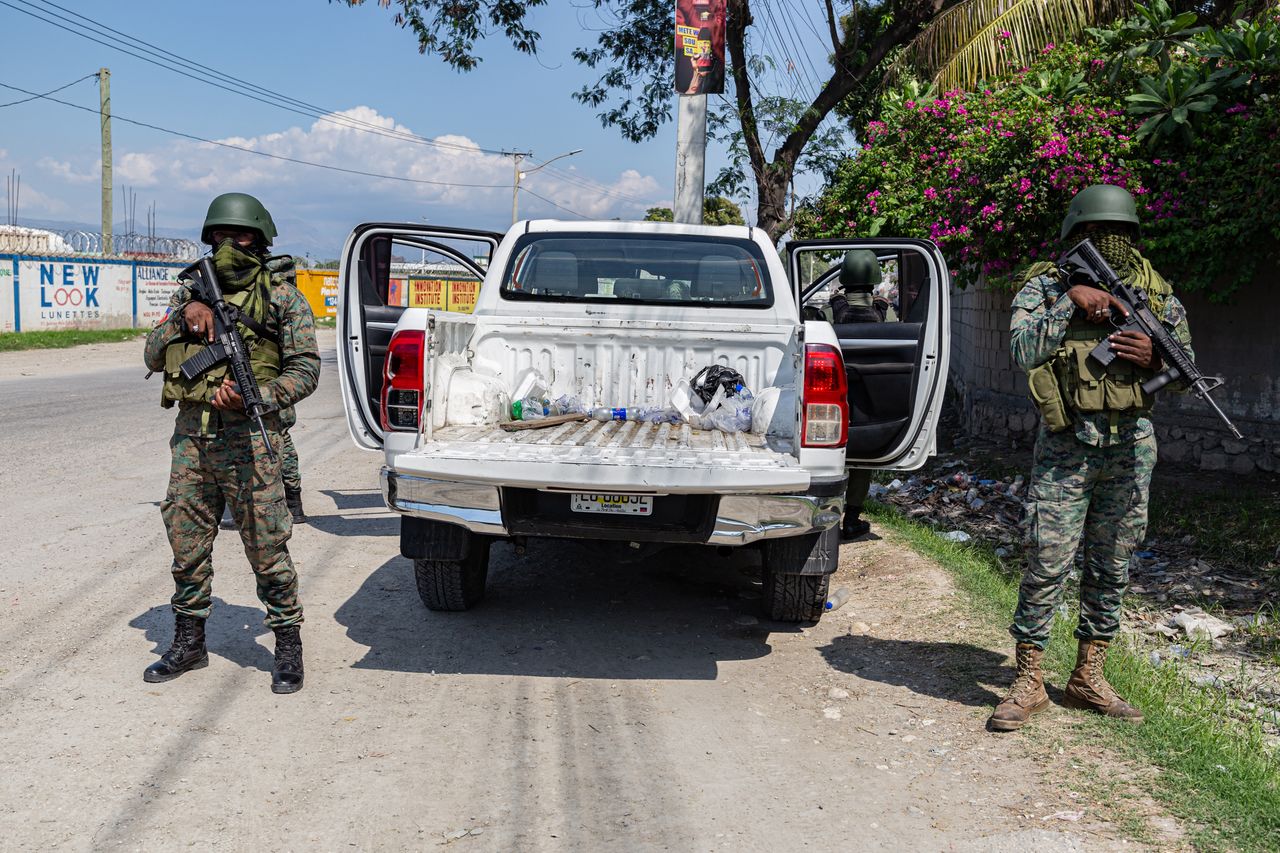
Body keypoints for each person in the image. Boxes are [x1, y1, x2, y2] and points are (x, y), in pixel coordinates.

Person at [989, 184, 1193, 731]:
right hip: (1066, 448)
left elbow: (1185, 373)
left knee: (1112, 563)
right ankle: (1029, 679)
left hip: (1130, 449)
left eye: (1123, 233)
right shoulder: (1045, 284)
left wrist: (1153, 357)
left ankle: (1087, 676)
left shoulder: (1154, 292)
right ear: (1076, 237)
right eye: (1100, 234)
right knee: (1047, 560)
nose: (1113, 241)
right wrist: (1068, 299)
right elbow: (1022, 350)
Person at [142, 192, 320, 694]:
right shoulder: (187, 295)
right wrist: (186, 315)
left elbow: (307, 368)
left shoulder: (283, 297)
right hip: (192, 444)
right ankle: (189, 641)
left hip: (252, 442)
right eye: (219, 236)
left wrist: (258, 396)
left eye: (239, 236)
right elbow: (153, 355)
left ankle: (287, 645)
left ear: (259, 239)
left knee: (267, 548)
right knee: (186, 545)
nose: (228, 244)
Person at [829, 249, 884, 539]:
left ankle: (824, 515)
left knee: (826, 456)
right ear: (874, 280)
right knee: (861, 460)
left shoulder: (828, 313)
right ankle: (851, 518)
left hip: (830, 399)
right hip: (868, 402)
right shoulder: (883, 316)